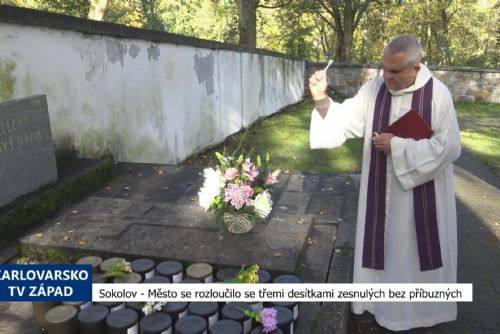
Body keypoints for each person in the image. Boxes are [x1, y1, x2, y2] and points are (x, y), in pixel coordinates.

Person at [309, 34, 461, 331]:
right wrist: (321, 98)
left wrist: (399, 147)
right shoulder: (376, 88)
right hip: (379, 194)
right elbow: (344, 120)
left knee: (413, 255)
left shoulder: (438, 95)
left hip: (421, 196)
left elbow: (450, 148)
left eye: (395, 71)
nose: (386, 76)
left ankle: (417, 313)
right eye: (384, 68)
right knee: (382, 249)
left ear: (415, 69)